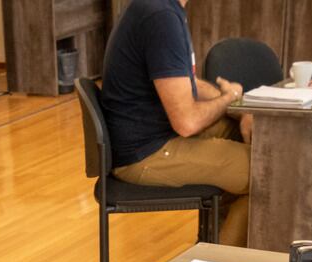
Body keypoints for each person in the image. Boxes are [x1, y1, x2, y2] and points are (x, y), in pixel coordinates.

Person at [100, 0, 251, 245]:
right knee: (265, 173)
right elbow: (187, 122)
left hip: (156, 136)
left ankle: (213, 249)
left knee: (242, 138)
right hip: (146, 154)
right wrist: (229, 99)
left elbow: (185, 82)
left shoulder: (162, 8)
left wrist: (239, 106)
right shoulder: (160, 16)